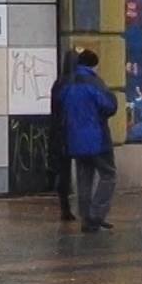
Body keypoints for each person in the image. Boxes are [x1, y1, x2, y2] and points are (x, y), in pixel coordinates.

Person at [56, 49, 119, 233]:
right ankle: (96, 215)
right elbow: (109, 106)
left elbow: (60, 106)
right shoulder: (95, 83)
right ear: (94, 65)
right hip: (97, 139)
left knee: (84, 178)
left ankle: (85, 217)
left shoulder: (68, 84)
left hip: (74, 139)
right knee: (109, 175)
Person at [48, 49, 80, 223]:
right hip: (71, 129)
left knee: (64, 170)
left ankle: (65, 206)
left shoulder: (58, 83)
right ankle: (80, 206)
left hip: (58, 130)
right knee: (83, 168)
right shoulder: (75, 84)